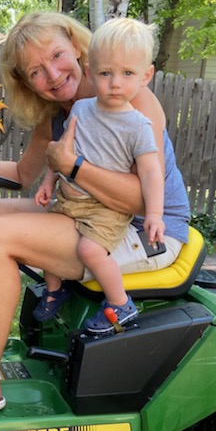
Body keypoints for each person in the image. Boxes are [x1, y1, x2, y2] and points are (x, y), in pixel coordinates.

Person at [0, 12, 190, 418]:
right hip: (86, 212)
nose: (54, 74)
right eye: (36, 71)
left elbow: (138, 199)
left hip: (143, 230)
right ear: (27, 83)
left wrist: (73, 166)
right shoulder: (58, 114)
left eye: (57, 56)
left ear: (76, 46)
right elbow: (24, 175)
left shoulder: (131, 98)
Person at [32, 18, 164, 334]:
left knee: (89, 251)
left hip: (106, 210)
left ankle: (120, 304)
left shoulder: (138, 125)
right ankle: (55, 290)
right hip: (68, 198)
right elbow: (62, 153)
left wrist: (155, 215)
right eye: (106, 73)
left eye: (127, 73)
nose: (115, 83)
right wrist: (48, 181)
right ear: (90, 72)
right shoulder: (80, 110)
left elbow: (151, 172)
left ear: (146, 76)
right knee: (45, 241)